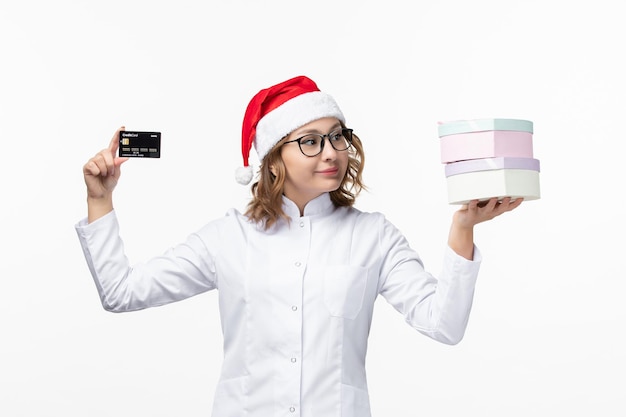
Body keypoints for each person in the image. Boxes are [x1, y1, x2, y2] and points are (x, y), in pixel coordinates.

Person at [76, 75, 522, 417]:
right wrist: (101, 198)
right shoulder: (228, 238)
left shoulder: (374, 237)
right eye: (310, 141)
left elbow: (443, 324)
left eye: (337, 137)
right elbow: (121, 293)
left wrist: (464, 227)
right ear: (272, 159)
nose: (331, 153)